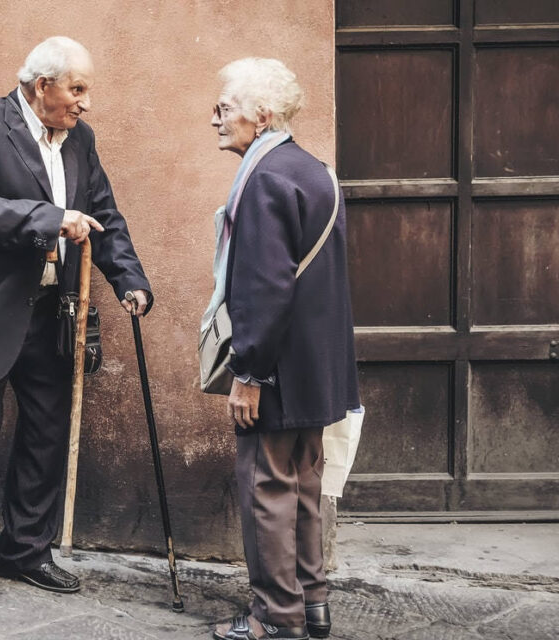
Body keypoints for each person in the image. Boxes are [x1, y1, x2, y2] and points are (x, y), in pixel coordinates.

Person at [0, 36, 153, 604]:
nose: (85, 102)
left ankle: (26, 549)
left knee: (46, 436)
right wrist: (51, 218)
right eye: (77, 88)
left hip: (51, 313)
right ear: (41, 85)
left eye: (85, 90)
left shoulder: (81, 140)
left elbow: (103, 215)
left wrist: (131, 280)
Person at [205, 58, 360, 640]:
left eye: (225, 108)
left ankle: (275, 618)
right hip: (316, 369)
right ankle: (312, 605)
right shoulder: (314, 169)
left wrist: (248, 372)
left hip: (276, 368)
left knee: (268, 487)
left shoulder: (265, 176)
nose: (215, 118)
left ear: (261, 114)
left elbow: (265, 287)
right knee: (305, 486)